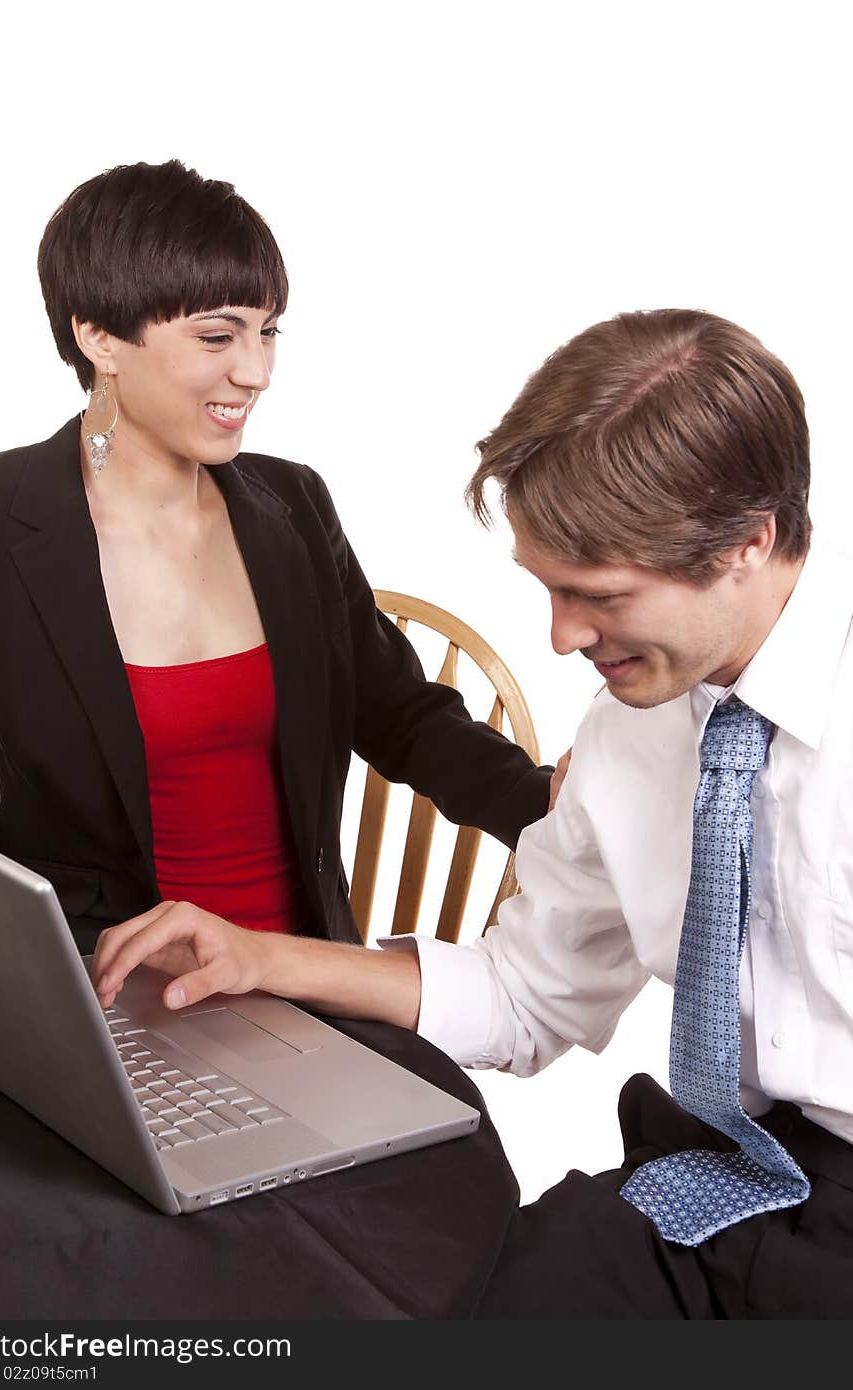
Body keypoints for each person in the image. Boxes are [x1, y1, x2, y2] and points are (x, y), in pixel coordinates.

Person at [95, 307, 853, 1318]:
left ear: (746, 544)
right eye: (546, 590)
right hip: (728, 1177)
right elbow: (527, 995)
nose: (559, 635)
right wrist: (264, 957)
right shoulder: (628, 739)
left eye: (599, 596)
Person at [0, 158, 555, 958]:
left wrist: (549, 809)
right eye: (217, 335)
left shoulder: (295, 506)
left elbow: (401, 716)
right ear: (98, 335)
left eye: (267, 331)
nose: (256, 372)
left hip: (300, 979)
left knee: (450, 1095)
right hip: (88, 989)